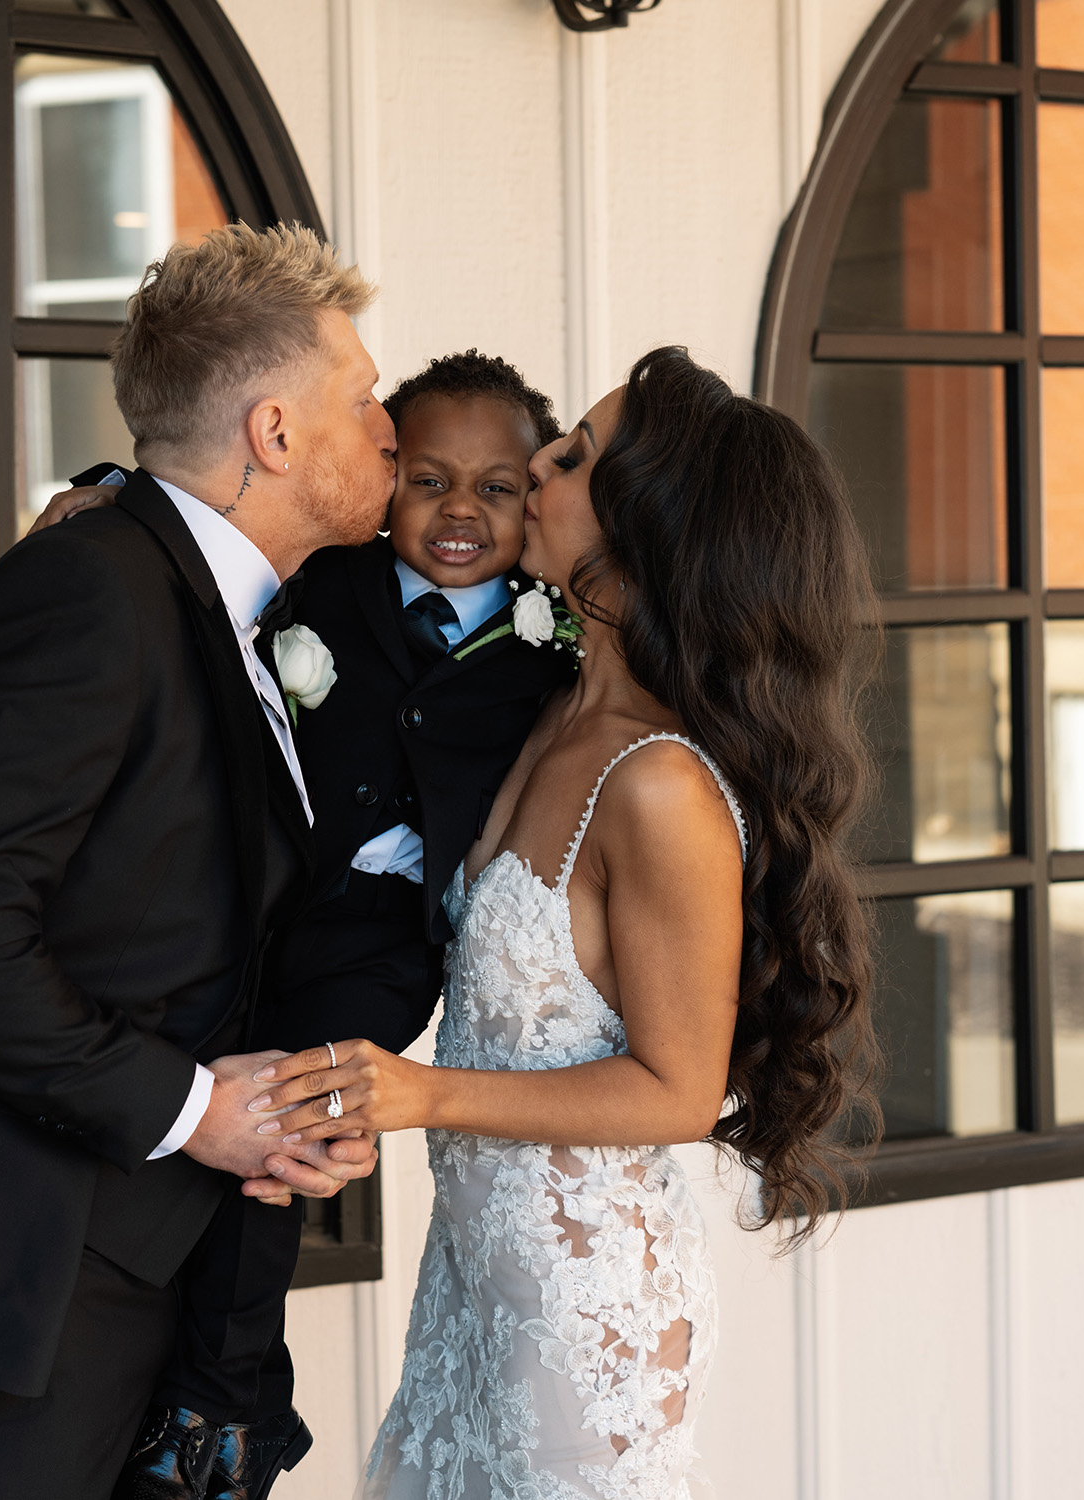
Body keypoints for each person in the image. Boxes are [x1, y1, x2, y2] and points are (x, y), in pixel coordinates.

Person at [0, 223, 393, 1500]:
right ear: (274, 434)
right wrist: (197, 1114)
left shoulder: (233, 603)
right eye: (366, 398)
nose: (390, 432)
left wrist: (280, 1114)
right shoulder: (85, 592)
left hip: (129, 1263)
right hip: (1, 1274)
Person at [248, 346, 885, 1498]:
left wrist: (416, 1091)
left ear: (640, 533)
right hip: (477, 1287)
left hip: (583, 1321)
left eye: (572, 455)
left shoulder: (657, 785)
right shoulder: (546, 710)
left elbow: (678, 1091)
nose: (532, 467)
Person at [53, 351, 578, 1498]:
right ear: (384, 477)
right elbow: (201, 535)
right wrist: (98, 485)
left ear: (535, 500)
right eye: (428, 479)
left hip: (380, 938)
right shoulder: (325, 577)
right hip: (257, 899)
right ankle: (183, 1377)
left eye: (496, 489)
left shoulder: (558, 638)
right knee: (197, 1104)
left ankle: (221, 1410)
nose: (459, 512)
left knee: (291, 1121)